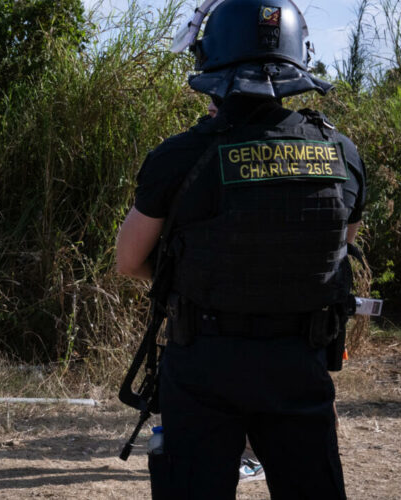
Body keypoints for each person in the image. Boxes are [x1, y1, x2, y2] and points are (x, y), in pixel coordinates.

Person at [114, 0, 366, 498]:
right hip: (299, 363)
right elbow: (338, 250)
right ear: (299, 58)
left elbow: (129, 261)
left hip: (205, 360)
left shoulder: (179, 155)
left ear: (211, 61)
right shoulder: (340, 152)